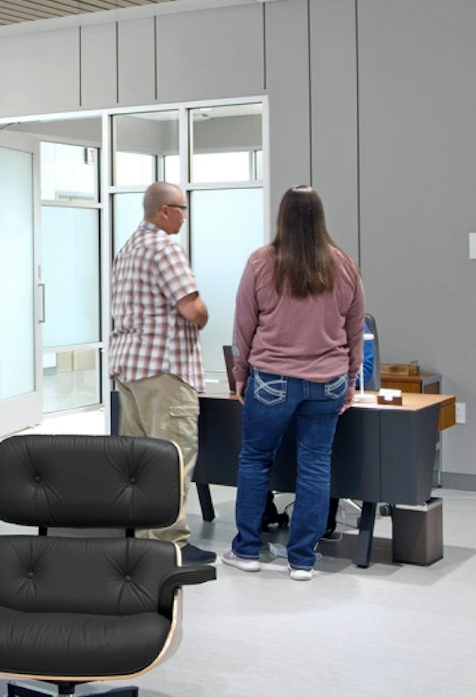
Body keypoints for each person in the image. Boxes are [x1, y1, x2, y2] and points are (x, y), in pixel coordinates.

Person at [224, 186, 366, 582]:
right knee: (315, 465)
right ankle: (302, 560)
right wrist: (351, 377)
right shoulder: (344, 265)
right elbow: (356, 329)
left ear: (282, 216)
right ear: (320, 217)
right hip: (328, 381)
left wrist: (240, 374)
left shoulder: (261, 262)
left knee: (255, 460)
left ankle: (247, 551)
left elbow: (243, 326)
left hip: (271, 379)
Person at [107, 180, 212, 562]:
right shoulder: (165, 247)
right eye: (181, 209)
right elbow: (192, 309)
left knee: (139, 461)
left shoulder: (129, 247)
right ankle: (170, 544)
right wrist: (204, 313)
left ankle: (139, 536)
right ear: (164, 210)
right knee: (173, 456)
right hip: (164, 369)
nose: (185, 216)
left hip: (129, 368)